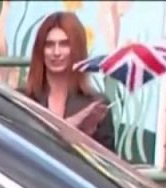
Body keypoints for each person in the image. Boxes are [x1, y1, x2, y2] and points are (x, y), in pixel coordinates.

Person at [23, 11, 116, 152]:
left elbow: (106, 163)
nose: (56, 52)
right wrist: (70, 127)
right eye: (49, 45)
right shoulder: (23, 99)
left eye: (64, 44)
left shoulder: (96, 104)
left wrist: (85, 138)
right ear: (40, 50)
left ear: (76, 49)